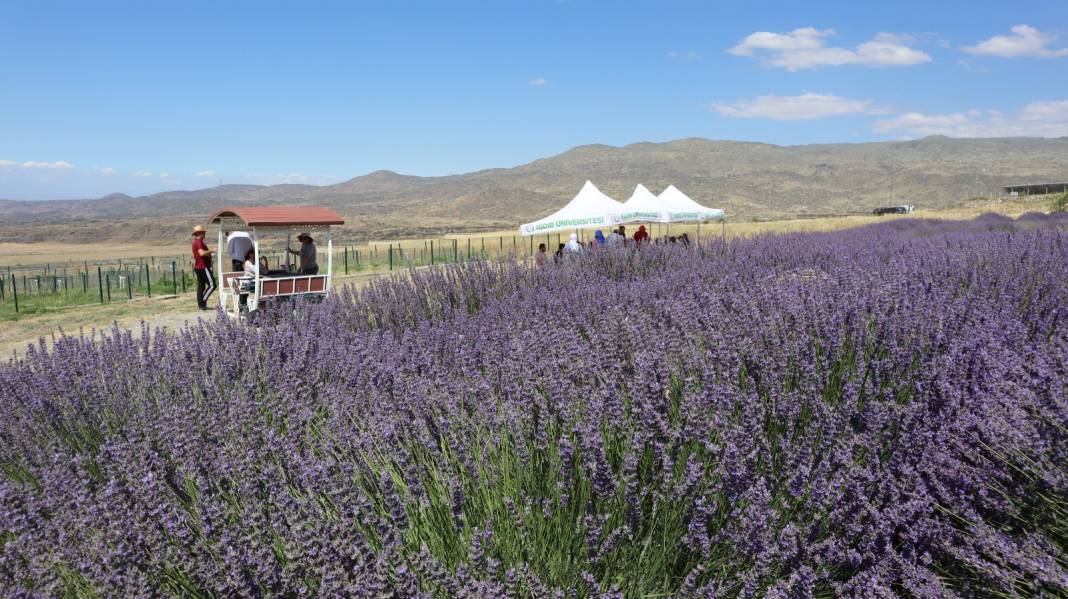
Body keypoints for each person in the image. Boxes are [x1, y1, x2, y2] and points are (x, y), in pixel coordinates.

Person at [191, 225, 215, 310]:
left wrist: (209, 254)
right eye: (203, 232)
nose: (204, 234)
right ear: (199, 233)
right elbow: (201, 253)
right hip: (203, 266)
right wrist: (212, 251)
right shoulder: (199, 242)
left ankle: (201, 305)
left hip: (198, 267)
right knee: (212, 285)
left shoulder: (196, 242)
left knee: (201, 286)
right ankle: (202, 302)